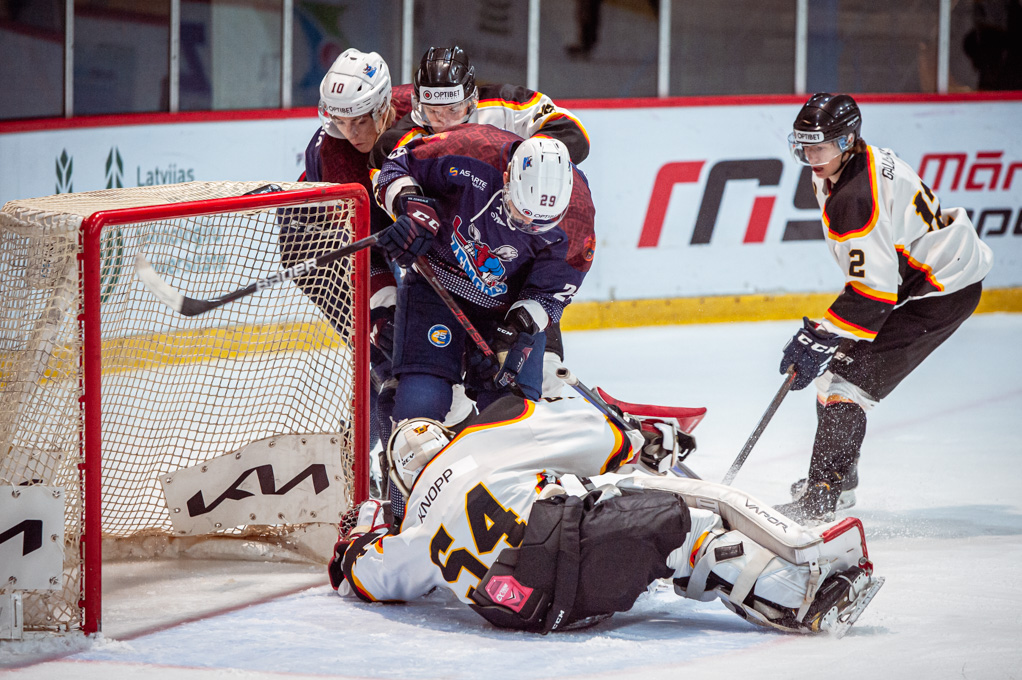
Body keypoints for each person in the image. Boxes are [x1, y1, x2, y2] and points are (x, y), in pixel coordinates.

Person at [327, 393, 883, 636]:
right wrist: (634, 437)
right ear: (444, 438)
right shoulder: (476, 441)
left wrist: (358, 540)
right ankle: (806, 598)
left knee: (635, 535)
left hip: (531, 616)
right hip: (567, 551)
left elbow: (365, 576)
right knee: (688, 527)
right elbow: (594, 435)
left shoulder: (418, 530)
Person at [776, 93, 994, 522]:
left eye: (819, 147)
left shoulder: (856, 197)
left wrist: (822, 334)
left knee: (846, 383)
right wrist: (828, 336)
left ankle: (823, 497)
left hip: (941, 291)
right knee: (836, 370)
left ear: (847, 141)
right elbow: (877, 280)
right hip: (923, 278)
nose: (810, 157)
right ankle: (841, 482)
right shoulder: (850, 164)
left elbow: (874, 294)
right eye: (804, 146)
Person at [369, 45, 591, 401]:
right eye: (432, 111)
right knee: (435, 376)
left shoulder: (506, 103)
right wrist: (409, 209)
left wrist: (525, 167)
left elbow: (574, 134)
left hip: (518, 244)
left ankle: (546, 387)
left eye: (453, 110)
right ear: (418, 104)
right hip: (454, 247)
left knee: (542, 375)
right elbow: (387, 175)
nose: (444, 121)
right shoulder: (402, 139)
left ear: (472, 99)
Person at [372, 126, 596, 442]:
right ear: (507, 178)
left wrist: (516, 330)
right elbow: (396, 165)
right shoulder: (470, 148)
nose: (528, 228)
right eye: (522, 214)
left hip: (504, 311)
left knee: (513, 425)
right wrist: (409, 205)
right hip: (435, 285)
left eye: (541, 224)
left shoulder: (578, 219)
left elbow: (550, 294)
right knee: (419, 408)